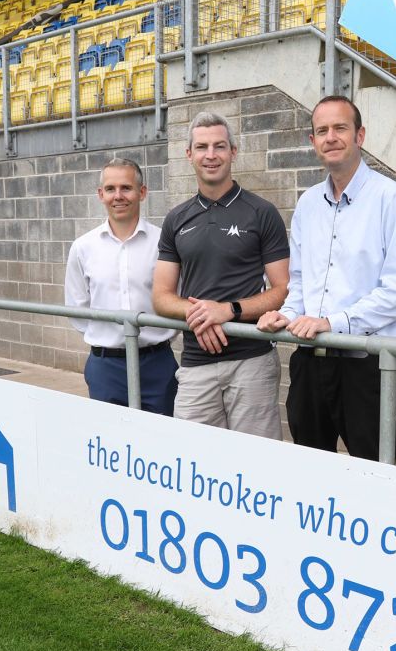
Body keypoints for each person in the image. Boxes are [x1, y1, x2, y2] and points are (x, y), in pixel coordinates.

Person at [258, 95, 396, 461]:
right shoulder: (307, 203)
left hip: (365, 367)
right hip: (309, 363)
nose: (330, 137)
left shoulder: (391, 199)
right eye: (322, 130)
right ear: (312, 141)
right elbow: (300, 280)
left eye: (340, 128)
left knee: (373, 477)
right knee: (310, 474)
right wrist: (287, 313)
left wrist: (334, 323)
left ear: (359, 136)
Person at [152, 112, 289, 439]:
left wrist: (228, 310)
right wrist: (200, 314)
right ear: (189, 154)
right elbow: (161, 296)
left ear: (233, 151)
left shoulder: (261, 212)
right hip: (195, 362)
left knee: (259, 465)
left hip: (251, 360)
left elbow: (283, 289)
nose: (210, 155)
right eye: (201, 147)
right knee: (192, 460)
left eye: (219, 146)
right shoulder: (176, 219)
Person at [64, 157, 178, 415]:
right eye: (111, 189)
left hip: (156, 363)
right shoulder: (83, 247)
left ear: (142, 192)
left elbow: (177, 297)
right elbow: (77, 307)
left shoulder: (164, 243)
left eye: (126, 188)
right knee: (110, 446)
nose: (119, 196)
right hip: (106, 367)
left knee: (161, 445)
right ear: (100, 194)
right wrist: (106, 339)